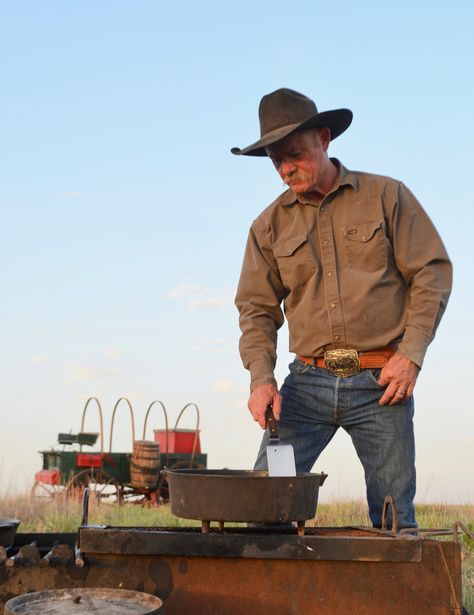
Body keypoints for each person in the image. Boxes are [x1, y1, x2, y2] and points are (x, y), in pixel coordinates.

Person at [232, 88, 452, 528]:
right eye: (277, 160)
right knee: (265, 511)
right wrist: (261, 380)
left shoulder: (387, 197)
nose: (286, 168)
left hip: (381, 383)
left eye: (294, 153)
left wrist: (410, 356)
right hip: (305, 387)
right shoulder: (266, 227)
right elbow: (256, 308)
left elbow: (431, 270)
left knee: (395, 523)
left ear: (325, 139)